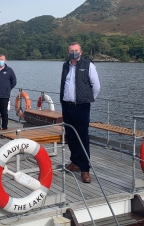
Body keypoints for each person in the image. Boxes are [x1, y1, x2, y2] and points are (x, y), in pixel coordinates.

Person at [60, 42, 100, 183]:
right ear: (68, 52)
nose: (74, 53)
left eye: (76, 50)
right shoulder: (65, 66)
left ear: (81, 52)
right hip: (67, 106)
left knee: (82, 138)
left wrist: (87, 99)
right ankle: (75, 162)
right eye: (71, 51)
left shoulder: (88, 65)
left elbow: (96, 86)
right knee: (71, 136)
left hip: (81, 106)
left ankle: (85, 169)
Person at [0, 54, 17, 130]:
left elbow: (14, 82)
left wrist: (7, 89)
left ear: (5, 60)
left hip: (4, 96)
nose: (0, 61)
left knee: (4, 113)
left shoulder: (9, 70)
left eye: (2, 60)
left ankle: (5, 128)